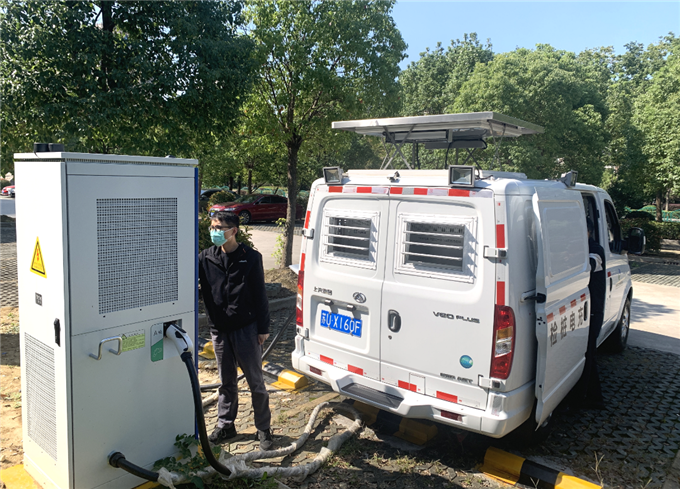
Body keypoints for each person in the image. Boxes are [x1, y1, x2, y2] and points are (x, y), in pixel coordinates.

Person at [198, 211, 273, 450]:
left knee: (255, 382)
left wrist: (263, 328)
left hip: (246, 329)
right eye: (212, 227)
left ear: (234, 231)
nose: (215, 232)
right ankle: (226, 425)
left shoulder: (250, 257)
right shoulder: (205, 258)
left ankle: (263, 428)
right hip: (219, 330)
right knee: (226, 381)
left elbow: (260, 295)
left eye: (219, 228)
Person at [575, 218, 607, 409]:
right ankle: (594, 397)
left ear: (588, 231)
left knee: (587, 355)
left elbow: (590, 265)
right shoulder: (577, 248)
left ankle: (584, 399)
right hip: (582, 309)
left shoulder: (596, 250)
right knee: (587, 355)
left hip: (592, 310)